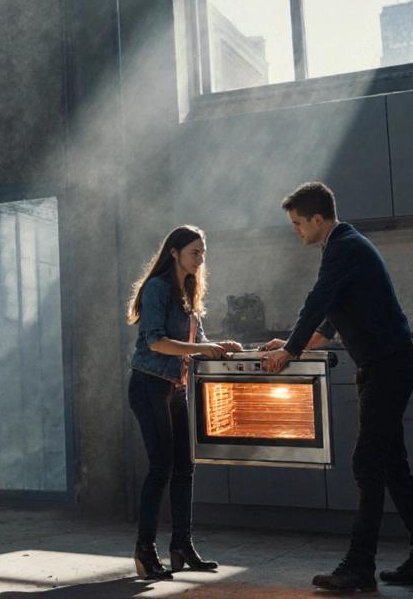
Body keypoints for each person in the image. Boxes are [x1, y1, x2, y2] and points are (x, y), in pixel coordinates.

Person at [261, 182, 413, 593]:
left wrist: (288, 351)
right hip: (387, 366)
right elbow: (328, 320)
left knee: (366, 463)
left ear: (317, 219)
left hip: (387, 368)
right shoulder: (345, 245)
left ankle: (359, 568)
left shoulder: (342, 246)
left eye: (297, 224)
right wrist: (293, 343)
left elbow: (318, 300)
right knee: (392, 467)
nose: (295, 231)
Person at [126, 225, 239, 580]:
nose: (201, 259)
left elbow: (197, 340)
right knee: (161, 468)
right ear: (173, 252)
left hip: (176, 388)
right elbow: (157, 342)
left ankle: (181, 547)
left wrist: (221, 346)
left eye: (203, 253)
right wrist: (203, 348)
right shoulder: (156, 288)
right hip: (149, 385)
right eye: (195, 252)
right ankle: (145, 551)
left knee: (185, 468)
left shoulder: (188, 290)